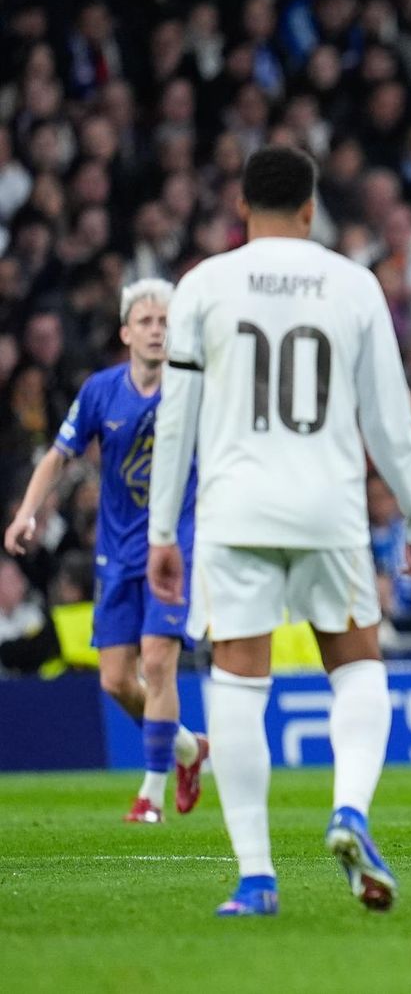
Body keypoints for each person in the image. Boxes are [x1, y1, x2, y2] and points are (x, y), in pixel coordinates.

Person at [147, 146, 411, 917]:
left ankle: (255, 876)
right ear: (312, 209)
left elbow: (174, 418)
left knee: (239, 680)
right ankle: (349, 809)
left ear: (241, 207)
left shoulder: (203, 284)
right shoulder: (352, 283)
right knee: (356, 664)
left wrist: (159, 531)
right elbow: (386, 416)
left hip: (234, 511)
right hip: (328, 508)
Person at [5, 279, 206, 823]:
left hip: (176, 547)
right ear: (126, 332)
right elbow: (58, 455)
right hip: (116, 552)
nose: (157, 330)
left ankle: (152, 795)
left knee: (159, 663)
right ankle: (189, 749)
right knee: (116, 679)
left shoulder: (194, 388)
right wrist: (26, 512)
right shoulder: (100, 390)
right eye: (146, 321)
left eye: (165, 321)